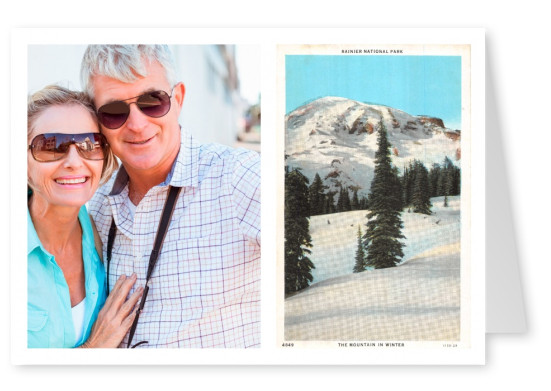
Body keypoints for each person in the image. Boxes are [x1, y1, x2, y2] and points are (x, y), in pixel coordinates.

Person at [81, 45, 261, 348]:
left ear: (177, 99)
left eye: (152, 101)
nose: (137, 125)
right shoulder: (96, 207)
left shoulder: (238, 177)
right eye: (114, 112)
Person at [27, 85, 143, 348]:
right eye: (51, 145)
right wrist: (93, 349)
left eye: (89, 145)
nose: (74, 161)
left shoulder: (101, 234)